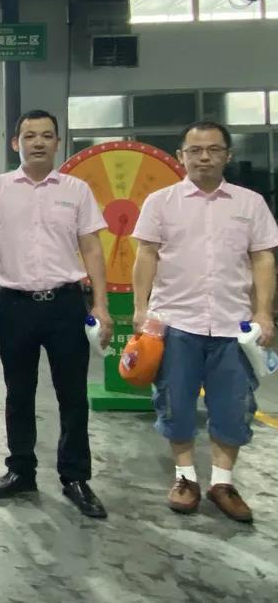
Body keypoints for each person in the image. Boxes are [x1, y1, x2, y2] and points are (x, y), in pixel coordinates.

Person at [132, 121, 278, 523]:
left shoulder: (250, 204)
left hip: (234, 326)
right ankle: (185, 478)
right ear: (181, 156)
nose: (204, 157)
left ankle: (222, 483)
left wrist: (263, 312)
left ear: (228, 155)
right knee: (175, 403)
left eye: (213, 149)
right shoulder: (161, 202)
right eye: (195, 150)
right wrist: (141, 309)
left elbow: (263, 258)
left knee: (234, 405)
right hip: (176, 322)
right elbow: (146, 255)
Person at [0, 109, 113, 519]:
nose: (38, 142)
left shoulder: (77, 190)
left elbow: (91, 247)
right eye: (30, 135)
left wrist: (101, 305)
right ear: (16, 143)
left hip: (66, 305)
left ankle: (75, 477)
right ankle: (21, 470)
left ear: (57, 142)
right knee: (18, 392)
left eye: (47, 135)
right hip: (14, 305)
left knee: (73, 394)